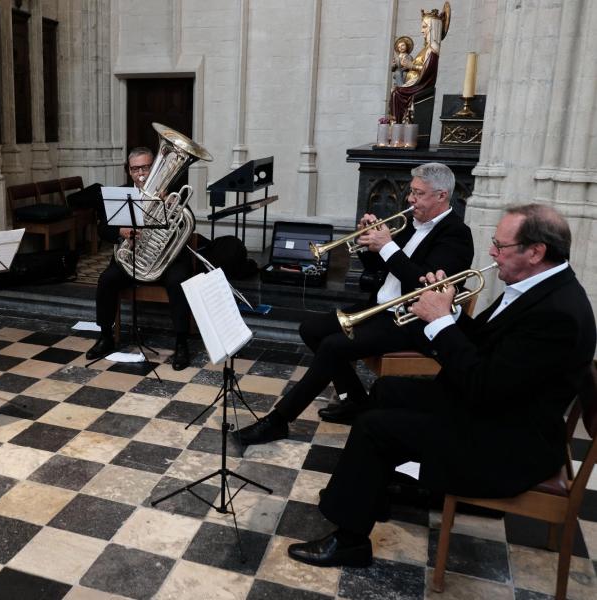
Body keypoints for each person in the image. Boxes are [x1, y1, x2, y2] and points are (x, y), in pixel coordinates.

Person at [287, 203, 596, 568]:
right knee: (386, 390)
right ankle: (367, 493)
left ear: (536, 251)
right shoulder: (538, 287)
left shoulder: (557, 313)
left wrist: (438, 324)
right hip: (498, 410)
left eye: (500, 246)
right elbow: (486, 342)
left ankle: (351, 541)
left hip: (507, 441)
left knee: (375, 428)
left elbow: (484, 384)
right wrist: (448, 311)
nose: (493, 253)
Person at [238, 162, 473, 446]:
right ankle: (355, 400)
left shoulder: (456, 234)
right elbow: (380, 268)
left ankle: (279, 421)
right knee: (311, 329)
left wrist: (387, 245)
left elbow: (425, 287)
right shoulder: (413, 224)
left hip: (411, 320)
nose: (410, 199)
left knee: (333, 346)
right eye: (411, 191)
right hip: (380, 308)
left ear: (441, 196)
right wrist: (367, 244)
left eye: (419, 194)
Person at [85, 147, 194, 370]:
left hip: (166, 260)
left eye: (145, 167)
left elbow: (188, 224)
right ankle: (106, 336)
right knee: (106, 280)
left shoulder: (170, 191)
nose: (141, 173)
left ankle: (182, 343)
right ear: (129, 171)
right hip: (132, 258)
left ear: (153, 167)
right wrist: (120, 232)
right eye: (135, 169)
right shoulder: (121, 193)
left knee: (179, 282)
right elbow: (102, 229)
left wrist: (171, 206)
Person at [390, 5, 448, 124]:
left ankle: (399, 124)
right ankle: (397, 124)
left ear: (433, 28)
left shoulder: (433, 48)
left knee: (397, 93)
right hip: (415, 82)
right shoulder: (426, 48)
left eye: (424, 27)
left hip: (422, 84)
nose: (422, 30)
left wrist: (411, 66)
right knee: (395, 90)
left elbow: (428, 70)